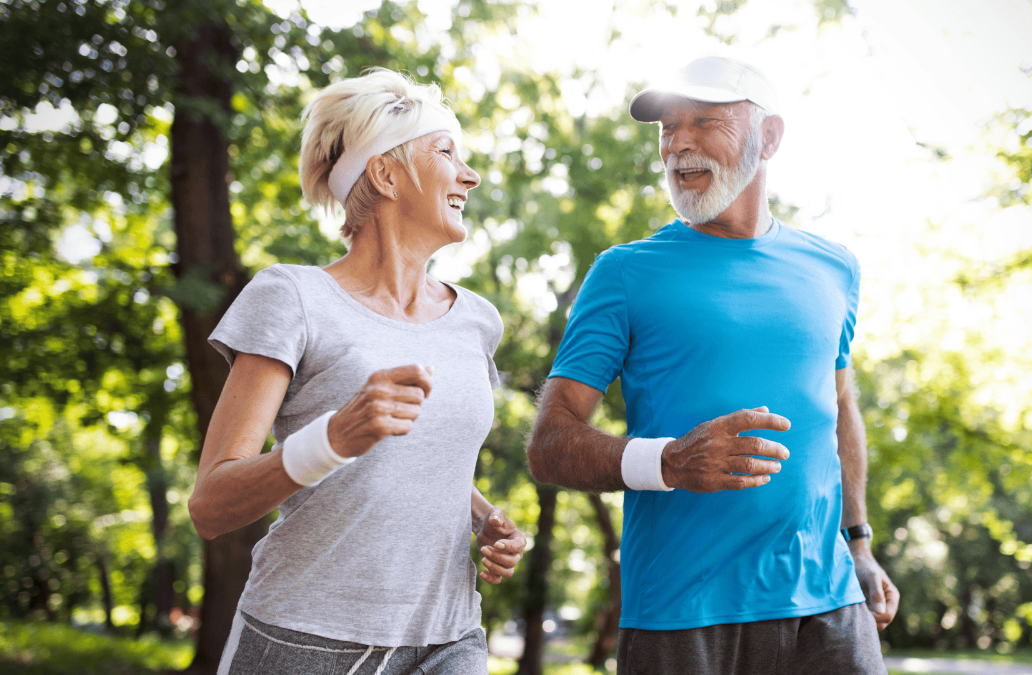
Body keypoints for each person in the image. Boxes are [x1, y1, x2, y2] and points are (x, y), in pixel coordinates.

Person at [526, 56, 899, 674]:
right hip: (682, 613)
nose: (679, 144)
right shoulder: (624, 272)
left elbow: (839, 409)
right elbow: (549, 444)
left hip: (830, 603)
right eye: (668, 128)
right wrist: (668, 461)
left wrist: (858, 542)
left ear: (769, 137)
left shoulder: (835, 268)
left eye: (703, 121)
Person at [188, 69, 526, 675]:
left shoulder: (477, 319)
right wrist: (333, 438)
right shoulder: (292, 297)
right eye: (448, 152)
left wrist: (484, 519)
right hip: (305, 638)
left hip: (450, 635)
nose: (470, 175)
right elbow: (210, 505)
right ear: (386, 173)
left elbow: (421, 464)